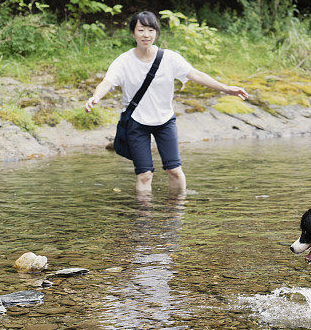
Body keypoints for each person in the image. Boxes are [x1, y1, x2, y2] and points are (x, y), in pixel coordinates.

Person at [85, 11, 248, 194]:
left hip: (164, 121)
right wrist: (96, 97)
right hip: (136, 122)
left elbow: (196, 75)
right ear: (133, 33)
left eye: (150, 30)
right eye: (141, 30)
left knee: (174, 171)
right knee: (144, 175)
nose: (146, 35)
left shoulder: (170, 58)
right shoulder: (123, 61)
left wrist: (225, 88)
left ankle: (176, 215)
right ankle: (143, 220)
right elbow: (107, 82)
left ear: (156, 33)